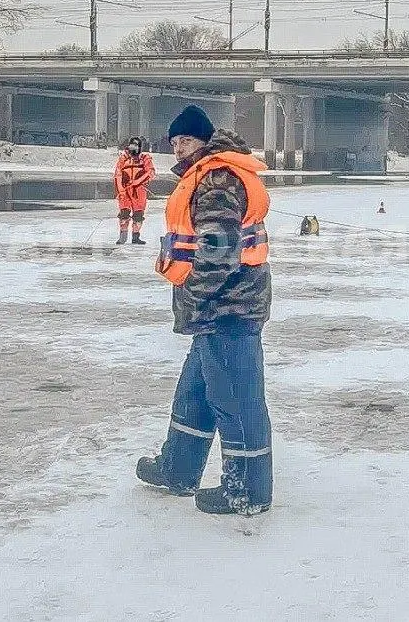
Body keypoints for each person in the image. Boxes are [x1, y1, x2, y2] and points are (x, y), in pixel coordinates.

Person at [135, 105, 274, 516]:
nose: (179, 149)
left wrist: (194, 296)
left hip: (228, 308)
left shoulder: (217, 181)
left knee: (237, 399)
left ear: (205, 140)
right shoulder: (204, 175)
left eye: (187, 140)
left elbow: (218, 253)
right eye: (175, 142)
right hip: (215, 309)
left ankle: (247, 489)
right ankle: (178, 468)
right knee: (195, 393)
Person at [114, 136, 156, 245]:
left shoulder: (145, 158)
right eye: (132, 145)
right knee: (124, 213)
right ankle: (123, 237)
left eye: (136, 145)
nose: (134, 147)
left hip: (139, 190)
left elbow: (150, 172)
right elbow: (118, 174)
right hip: (125, 190)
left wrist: (137, 182)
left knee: (138, 214)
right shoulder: (123, 158)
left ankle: (135, 237)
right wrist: (121, 190)